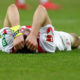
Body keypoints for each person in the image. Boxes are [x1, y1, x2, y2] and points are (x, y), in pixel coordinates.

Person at [0, 4, 80, 53]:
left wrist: (17, 35)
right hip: (55, 38)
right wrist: (34, 35)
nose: (24, 30)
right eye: (26, 34)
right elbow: (41, 9)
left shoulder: (8, 45)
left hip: (15, 39)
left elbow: (12, 8)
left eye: (22, 33)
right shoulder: (45, 45)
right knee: (75, 39)